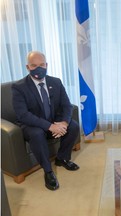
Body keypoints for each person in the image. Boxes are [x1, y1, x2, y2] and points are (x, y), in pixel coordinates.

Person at [12, 51, 80, 190]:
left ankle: (62, 158)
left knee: (73, 126)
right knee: (37, 134)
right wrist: (50, 126)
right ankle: (48, 171)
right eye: (34, 65)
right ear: (27, 67)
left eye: (42, 65)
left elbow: (67, 105)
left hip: (52, 120)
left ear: (46, 65)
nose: (38, 68)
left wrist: (64, 123)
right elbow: (23, 115)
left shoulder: (55, 82)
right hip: (31, 124)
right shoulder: (19, 87)